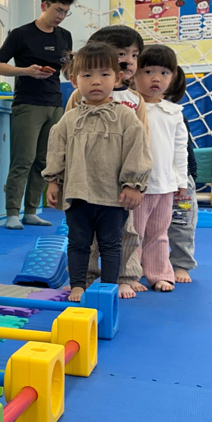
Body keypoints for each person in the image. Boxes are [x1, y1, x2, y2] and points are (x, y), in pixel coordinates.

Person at [42, 43, 151, 303]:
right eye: (87, 75)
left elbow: (138, 150)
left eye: (104, 74)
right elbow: (56, 151)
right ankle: (78, 284)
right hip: (78, 194)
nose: (96, 81)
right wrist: (54, 181)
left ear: (117, 78)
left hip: (112, 196)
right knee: (78, 242)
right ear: (74, 80)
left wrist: (133, 184)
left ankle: (109, 286)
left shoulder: (125, 117)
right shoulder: (69, 119)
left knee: (111, 243)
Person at [0, 0, 77, 230]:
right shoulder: (21, 34)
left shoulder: (64, 36)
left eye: (66, 12)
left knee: (44, 161)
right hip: (28, 104)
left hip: (55, 104)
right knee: (23, 159)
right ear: (44, 5)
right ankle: (12, 213)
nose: (61, 16)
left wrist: (74, 65)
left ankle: (31, 211)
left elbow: (66, 69)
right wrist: (26, 71)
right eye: (58, 10)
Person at [133, 45, 189, 292]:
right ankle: (130, 274)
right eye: (148, 71)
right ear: (134, 74)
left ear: (173, 77)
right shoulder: (129, 107)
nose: (156, 78)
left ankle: (159, 274)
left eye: (164, 73)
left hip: (165, 186)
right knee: (133, 234)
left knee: (159, 233)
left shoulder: (174, 112)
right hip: (136, 185)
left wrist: (181, 181)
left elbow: (180, 149)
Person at [164, 67, 198, 283]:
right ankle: (147, 262)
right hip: (152, 181)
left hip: (180, 181)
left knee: (181, 224)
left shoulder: (176, 115)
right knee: (146, 226)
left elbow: (186, 150)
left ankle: (181, 264)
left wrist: (187, 178)